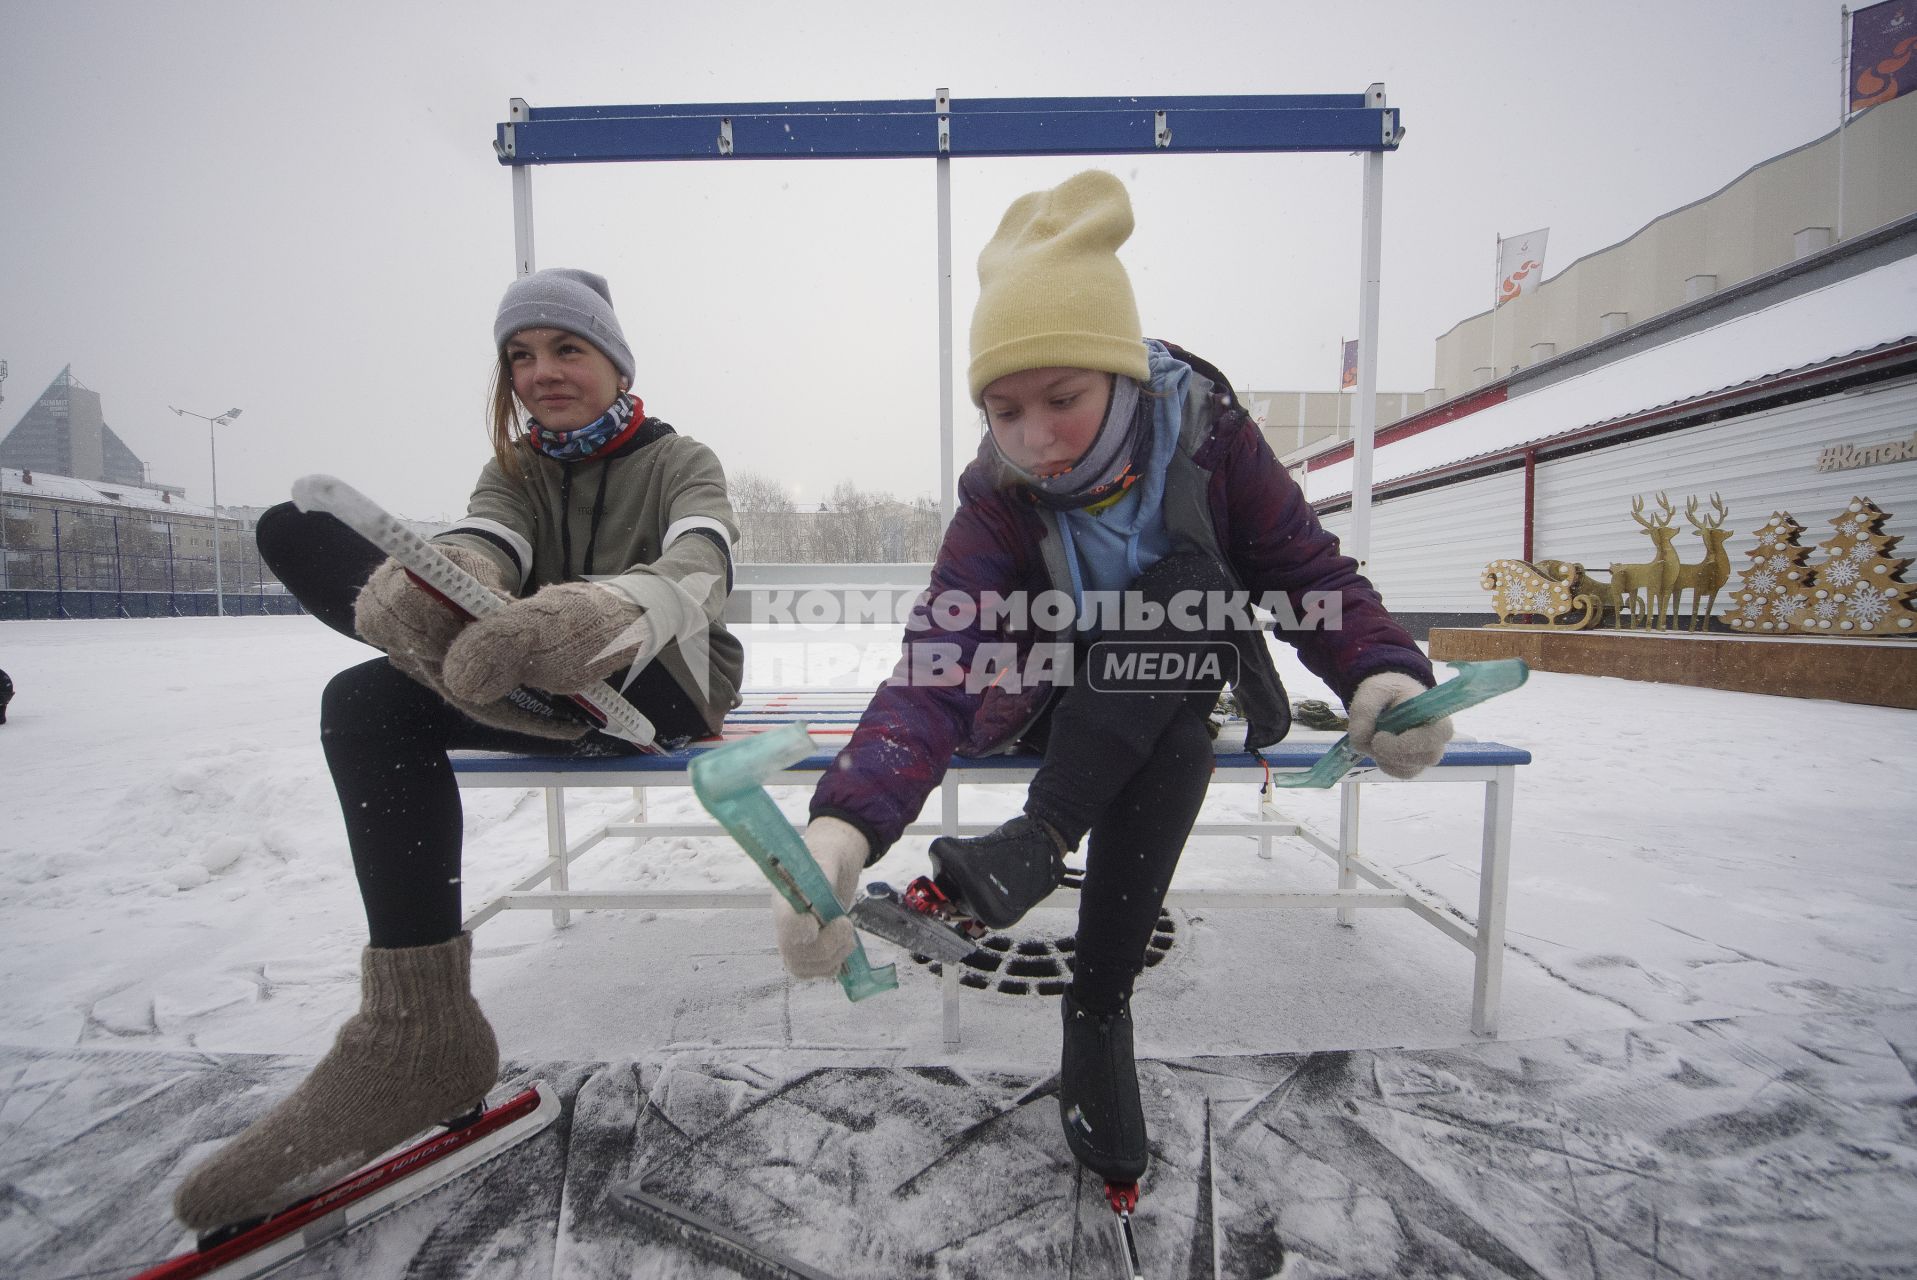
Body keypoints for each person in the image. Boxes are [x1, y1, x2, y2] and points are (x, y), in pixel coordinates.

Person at [769, 172, 1450, 1186]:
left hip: (1169, 686)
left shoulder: (1213, 444)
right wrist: (843, 828)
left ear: (1120, 374)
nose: (1034, 435)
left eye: (1063, 398)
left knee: (1185, 617)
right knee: (1175, 662)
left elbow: (1304, 571)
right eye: (1004, 408)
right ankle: (1090, 977)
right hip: (1042, 703)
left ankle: (1071, 943)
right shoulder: (998, 501)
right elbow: (936, 666)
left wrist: (1384, 673)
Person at [173, 267, 743, 1233]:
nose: (541, 372)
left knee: (501, 647)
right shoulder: (514, 471)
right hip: (524, 671)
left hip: (659, 675)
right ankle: (417, 1030)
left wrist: (608, 610)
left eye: (566, 349)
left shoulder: (681, 459)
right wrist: (453, 582)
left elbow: (702, 562)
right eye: (521, 355)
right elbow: (489, 542)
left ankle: (468, 643)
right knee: (363, 701)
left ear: (613, 359)